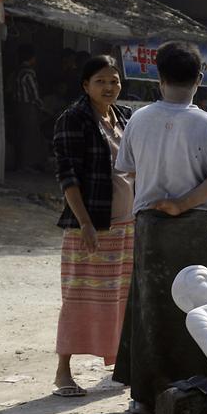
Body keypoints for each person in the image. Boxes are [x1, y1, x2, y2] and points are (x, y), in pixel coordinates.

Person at [113, 42, 207, 414]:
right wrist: (184, 203)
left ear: (159, 77)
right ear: (200, 79)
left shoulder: (138, 120)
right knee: (204, 308)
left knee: (150, 309)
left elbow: (129, 169)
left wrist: (165, 198)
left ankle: (146, 397)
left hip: (151, 224)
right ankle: (200, 389)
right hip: (197, 226)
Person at [52, 55, 134, 396]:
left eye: (114, 81)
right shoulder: (73, 120)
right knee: (79, 297)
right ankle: (63, 373)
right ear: (86, 85)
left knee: (121, 298)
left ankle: (122, 364)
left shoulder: (125, 117)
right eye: (100, 81)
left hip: (127, 225)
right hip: (91, 225)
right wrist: (84, 223)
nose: (109, 87)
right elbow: (67, 175)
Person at [12, 44, 46, 171]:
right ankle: (26, 164)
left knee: (22, 134)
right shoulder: (29, 72)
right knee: (30, 135)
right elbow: (34, 94)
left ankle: (20, 163)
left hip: (18, 106)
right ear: (31, 58)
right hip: (28, 108)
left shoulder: (17, 71)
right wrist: (42, 107)